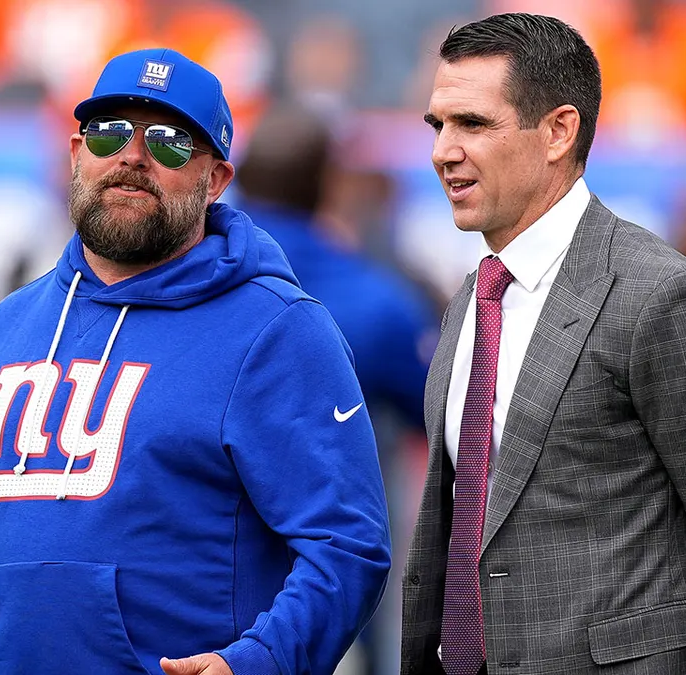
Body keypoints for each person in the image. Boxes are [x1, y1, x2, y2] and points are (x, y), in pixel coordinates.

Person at [0, 48, 391, 675]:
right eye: (109, 133)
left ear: (215, 180)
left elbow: (347, 544)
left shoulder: (277, 328)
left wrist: (258, 662)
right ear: (77, 154)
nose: (132, 157)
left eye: (168, 141)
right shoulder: (0, 331)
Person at [400, 13, 686, 675]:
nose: (444, 150)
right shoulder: (472, 299)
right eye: (437, 125)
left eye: (472, 123)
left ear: (559, 131)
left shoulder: (664, 297)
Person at [235, 103, 438, 675]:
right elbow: (445, 416)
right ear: (328, 183)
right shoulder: (374, 299)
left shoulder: (178, 279)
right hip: (327, 595)